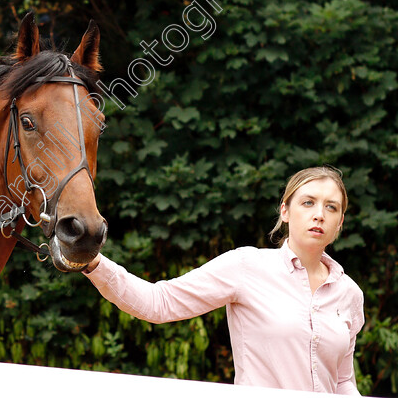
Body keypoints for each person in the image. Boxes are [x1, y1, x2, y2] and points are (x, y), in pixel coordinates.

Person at [84, 166, 364, 394]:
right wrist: (92, 261)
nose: (319, 214)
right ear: (285, 211)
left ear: (340, 222)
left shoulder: (349, 293)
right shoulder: (246, 266)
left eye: (331, 207)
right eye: (308, 202)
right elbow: (160, 303)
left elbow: (342, 382)